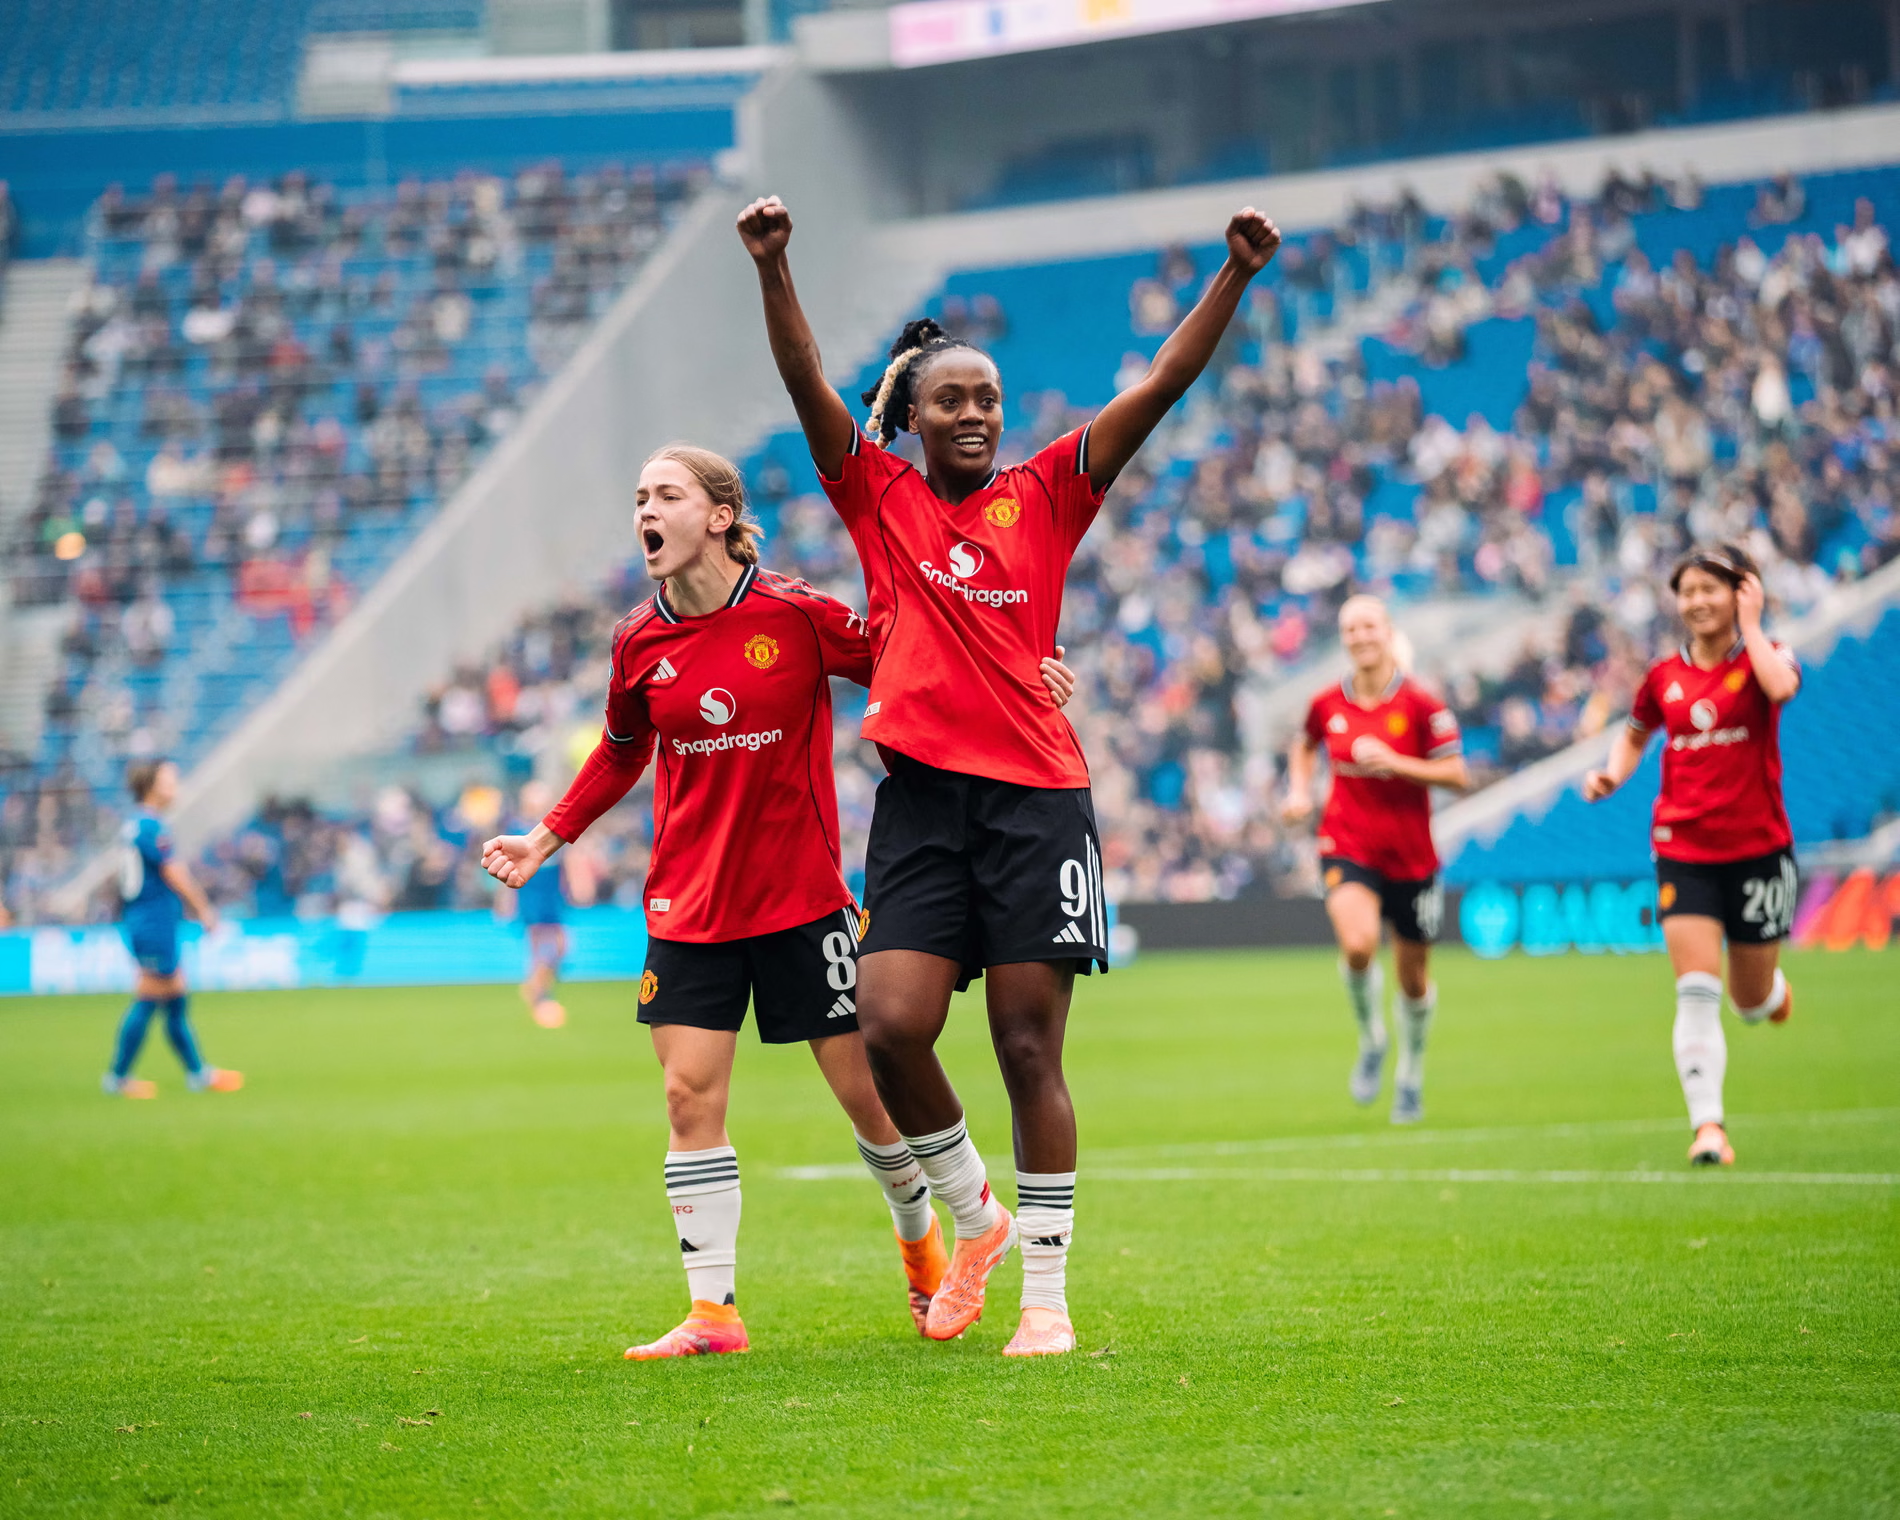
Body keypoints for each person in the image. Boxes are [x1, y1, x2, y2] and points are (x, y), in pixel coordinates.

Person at [738, 192, 1281, 1356]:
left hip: (1038, 803)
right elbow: (805, 385)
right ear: (918, 418)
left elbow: (1157, 389)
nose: (976, 413)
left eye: (987, 398)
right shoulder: (876, 500)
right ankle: (975, 1216)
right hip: (923, 803)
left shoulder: (1047, 493)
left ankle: (1045, 1296)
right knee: (888, 1024)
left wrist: (1231, 277)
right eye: (954, 399)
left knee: (1030, 1046)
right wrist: (775, 263)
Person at [480, 443, 1079, 1359]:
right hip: (690, 902)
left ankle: (927, 1236)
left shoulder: (797, 615)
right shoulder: (637, 639)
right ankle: (713, 1312)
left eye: (667, 494)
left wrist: (1029, 669)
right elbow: (620, 749)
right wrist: (545, 837)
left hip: (804, 902)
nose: (646, 509)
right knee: (688, 1097)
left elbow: (916, 656)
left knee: (872, 1106)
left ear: (719, 515)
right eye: (639, 495)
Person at [1584, 544, 1799, 1167]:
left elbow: (1780, 688)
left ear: (1742, 592)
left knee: (1750, 1001)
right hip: (1683, 847)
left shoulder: (1768, 655)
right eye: (1688, 591)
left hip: (1759, 849)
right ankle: (1709, 1128)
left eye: (1712, 588)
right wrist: (1612, 775)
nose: (1698, 601)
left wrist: (1754, 627)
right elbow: (1635, 732)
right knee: (1696, 992)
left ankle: (1769, 995)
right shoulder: (1662, 677)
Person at [1281, 596, 1468, 1124]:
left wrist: (1396, 763)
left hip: (1411, 857)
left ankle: (1410, 1073)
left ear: (1388, 632)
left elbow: (1457, 774)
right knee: (1359, 945)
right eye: (1350, 628)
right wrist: (1299, 791)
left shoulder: (1422, 705)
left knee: (1413, 980)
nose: (1359, 635)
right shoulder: (1325, 703)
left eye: (1369, 626)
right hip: (1347, 843)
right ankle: (1371, 1039)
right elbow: (1304, 745)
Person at [103, 759, 243, 1098]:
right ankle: (118, 1077)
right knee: (151, 996)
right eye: (170, 781)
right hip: (151, 924)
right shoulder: (150, 827)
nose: (175, 788)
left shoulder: (137, 825)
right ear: (152, 786)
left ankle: (198, 1073)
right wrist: (204, 909)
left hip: (151, 921)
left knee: (175, 998)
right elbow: (173, 872)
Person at [505, 778, 589, 1029]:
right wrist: (507, 900)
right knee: (541, 946)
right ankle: (539, 995)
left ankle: (536, 987)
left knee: (561, 946)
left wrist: (576, 885)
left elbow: (567, 860)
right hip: (531, 894)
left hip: (553, 895)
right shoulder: (517, 828)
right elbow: (508, 865)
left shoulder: (554, 827)